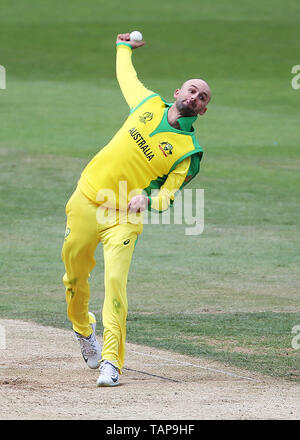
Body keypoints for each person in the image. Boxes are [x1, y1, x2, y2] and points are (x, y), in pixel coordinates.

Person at [61, 32, 211, 387]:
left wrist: (148, 199)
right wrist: (123, 47)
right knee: (73, 280)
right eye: (191, 89)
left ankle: (112, 362)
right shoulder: (147, 104)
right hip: (86, 199)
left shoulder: (189, 152)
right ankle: (84, 331)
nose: (195, 96)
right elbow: (126, 77)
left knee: (115, 283)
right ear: (178, 93)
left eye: (202, 96)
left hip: (124, 217)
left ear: (203, 110)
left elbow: (169, 195)